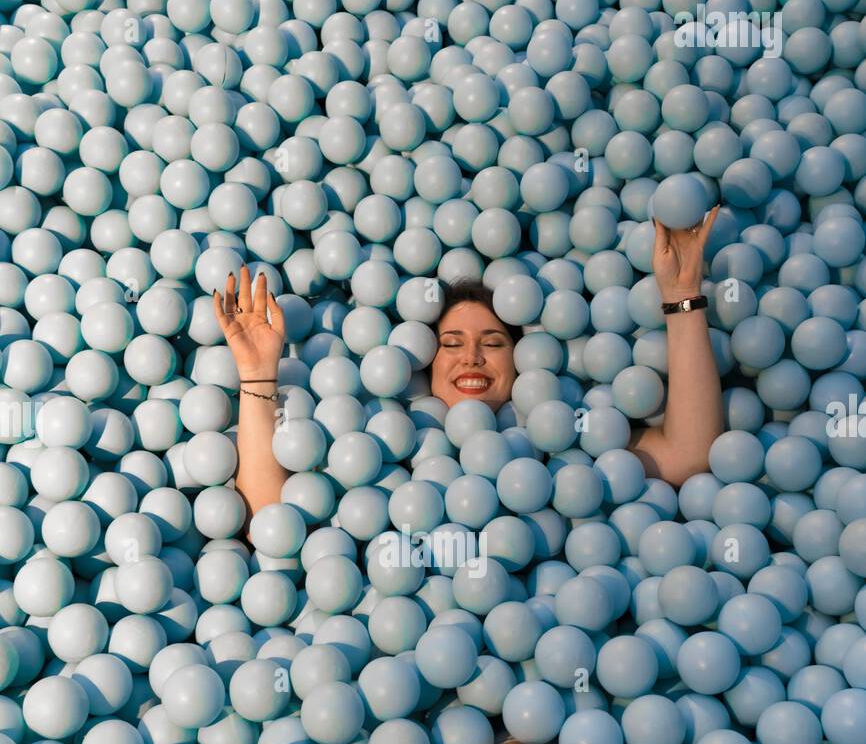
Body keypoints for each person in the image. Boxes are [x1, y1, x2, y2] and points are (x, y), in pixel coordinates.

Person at [214, 210, 723, 529]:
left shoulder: (563, 443)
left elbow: (689, 455)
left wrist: (682, 299)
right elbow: (269, 511)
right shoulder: (384, 443)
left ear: (523, 361)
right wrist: (258, 375)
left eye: (493, 342)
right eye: (451, 343)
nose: (471, 357)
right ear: (423, 363)